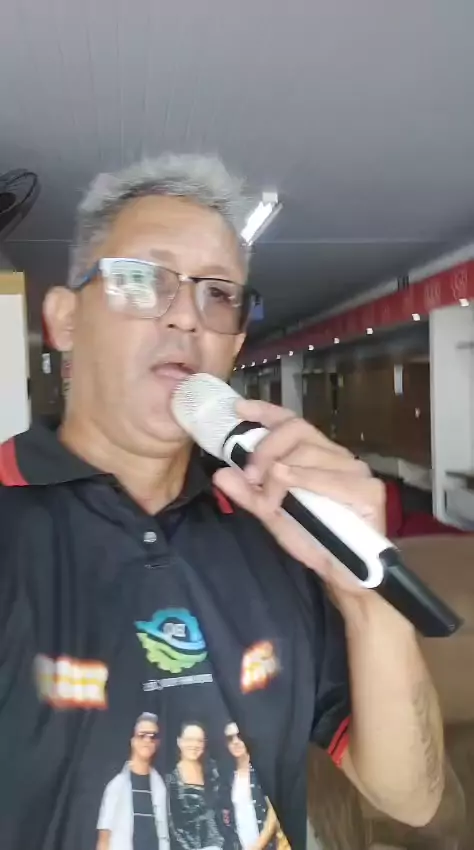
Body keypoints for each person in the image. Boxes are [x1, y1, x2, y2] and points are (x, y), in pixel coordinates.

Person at [0, 154, 444, 850]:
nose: (186, 315)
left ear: (234, 345)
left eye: (217, 294)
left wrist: (365, 602)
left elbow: (412, 798)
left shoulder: (278, 526)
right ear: (64, 320)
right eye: (143, 279)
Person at [96, 712, 169, 850]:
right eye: (142, 735)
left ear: (157, 743)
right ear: (133, 740)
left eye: (152, 736)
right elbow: (104, 838)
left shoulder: (161, 787)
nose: (147, 740)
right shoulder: (116, 786)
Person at [167, 723, 223, 850]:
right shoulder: (171, 779)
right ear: (179, 741)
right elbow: (172, 825)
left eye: (199, 741)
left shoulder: (213, 772)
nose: (194, 745)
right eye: (189, 740)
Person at [223, 722, 277, 850]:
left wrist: (258, 845)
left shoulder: (263, 770)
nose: (235, 742)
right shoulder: (228, 778)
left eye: (239, 736)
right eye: (230, 738)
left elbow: (274, 812)